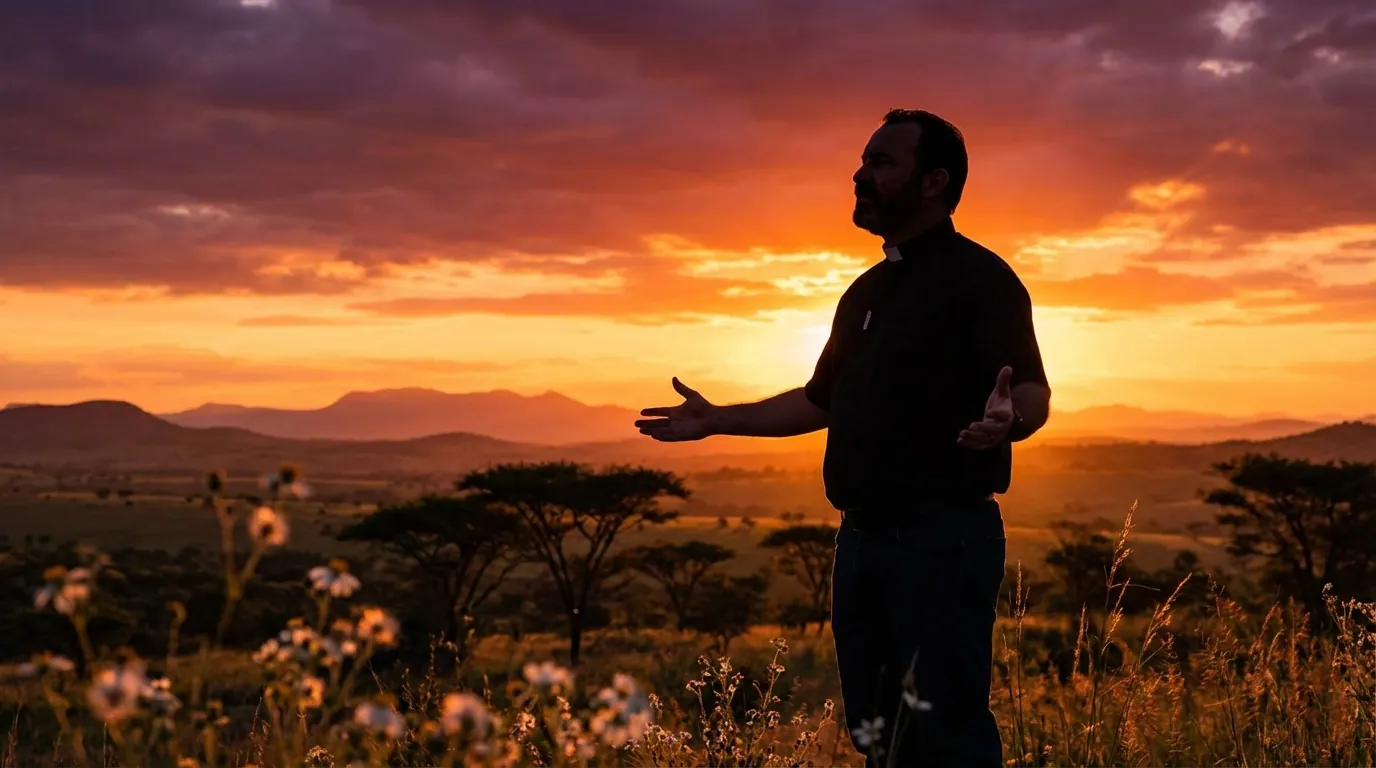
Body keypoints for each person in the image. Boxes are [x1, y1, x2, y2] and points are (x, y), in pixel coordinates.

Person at [635, 108, 1050, 766]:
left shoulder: (981, 279)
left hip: (943, 541)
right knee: (879, 738)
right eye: (863, 160)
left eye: (881, 162)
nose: (860, 174)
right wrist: (718, 419)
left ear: (934, 180)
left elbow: (1029, 389)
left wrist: (1010, 422)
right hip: (861, 544)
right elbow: (816, 400)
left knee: (946, 736)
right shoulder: (865, 292)